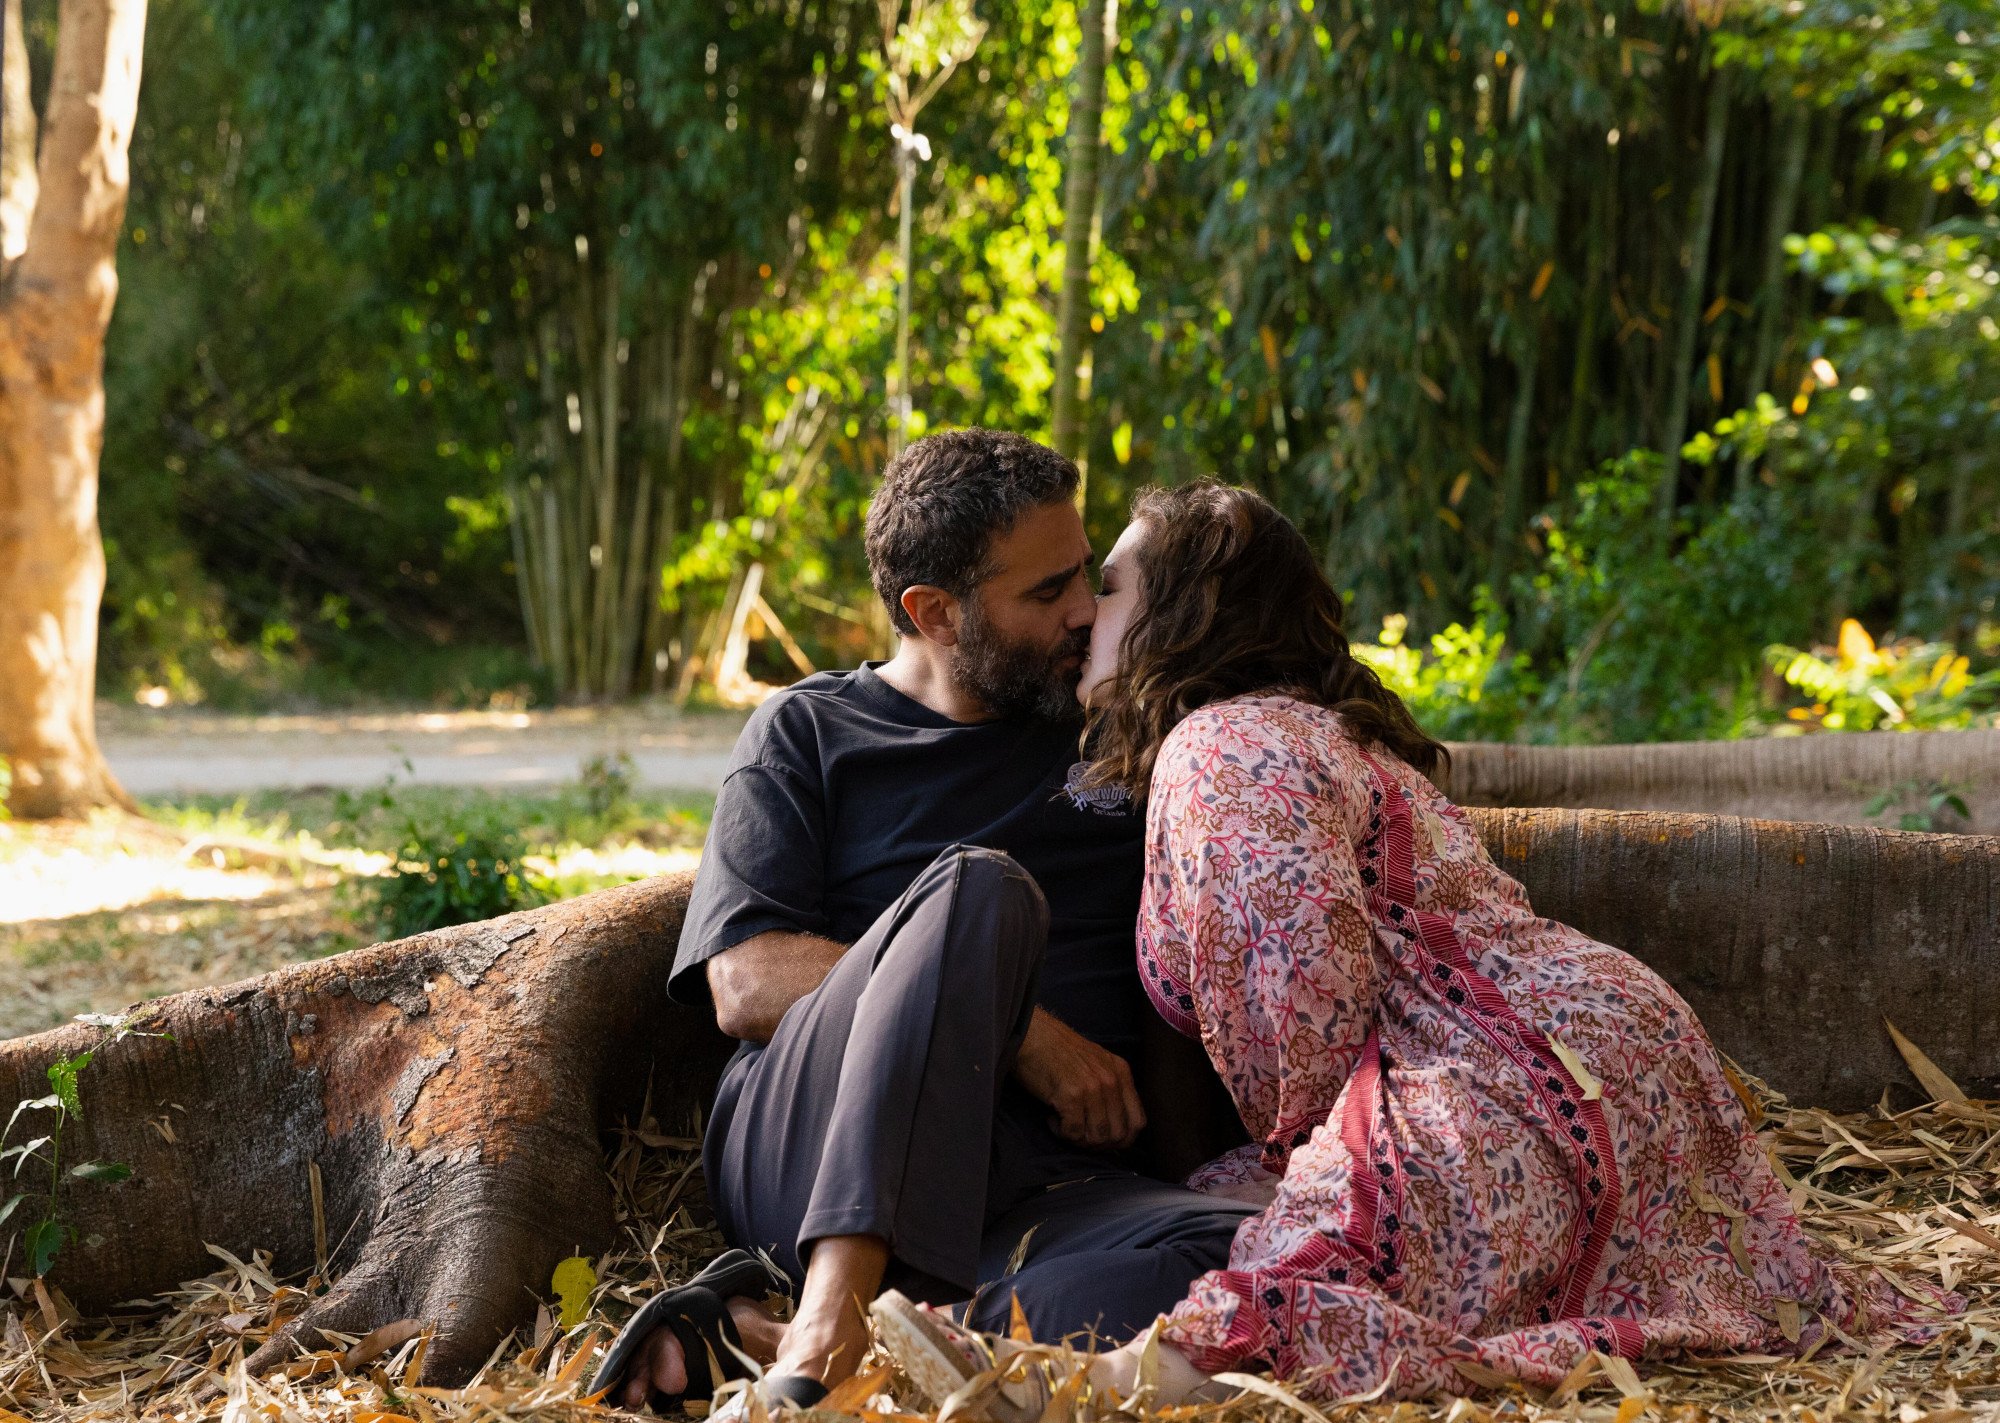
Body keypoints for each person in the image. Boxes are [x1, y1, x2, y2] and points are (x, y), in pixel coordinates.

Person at [872, 480, 1950, 1411]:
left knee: (1307, 1271)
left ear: (1178, 613)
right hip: (1610, 1056)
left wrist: (1297, 1148)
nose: (1075, 615)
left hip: (1482, 1074)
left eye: (1103, 586)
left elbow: (1299, 994)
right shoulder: (1310, 727)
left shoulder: (1221, 744)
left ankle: (1079, 1387)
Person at [591, 434, 1257, 1414]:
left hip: (1035, 1194)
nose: (1081, 610)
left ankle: (795, 1336)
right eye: (1045, 592)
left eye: (1083, 576)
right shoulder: (806, 732)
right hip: (810, 1154)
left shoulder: (1119, 729)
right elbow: (745, 978)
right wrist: (1015, 1026)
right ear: (933, 612)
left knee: (1256, 1255)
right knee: (976, 893)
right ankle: (824, 1327)